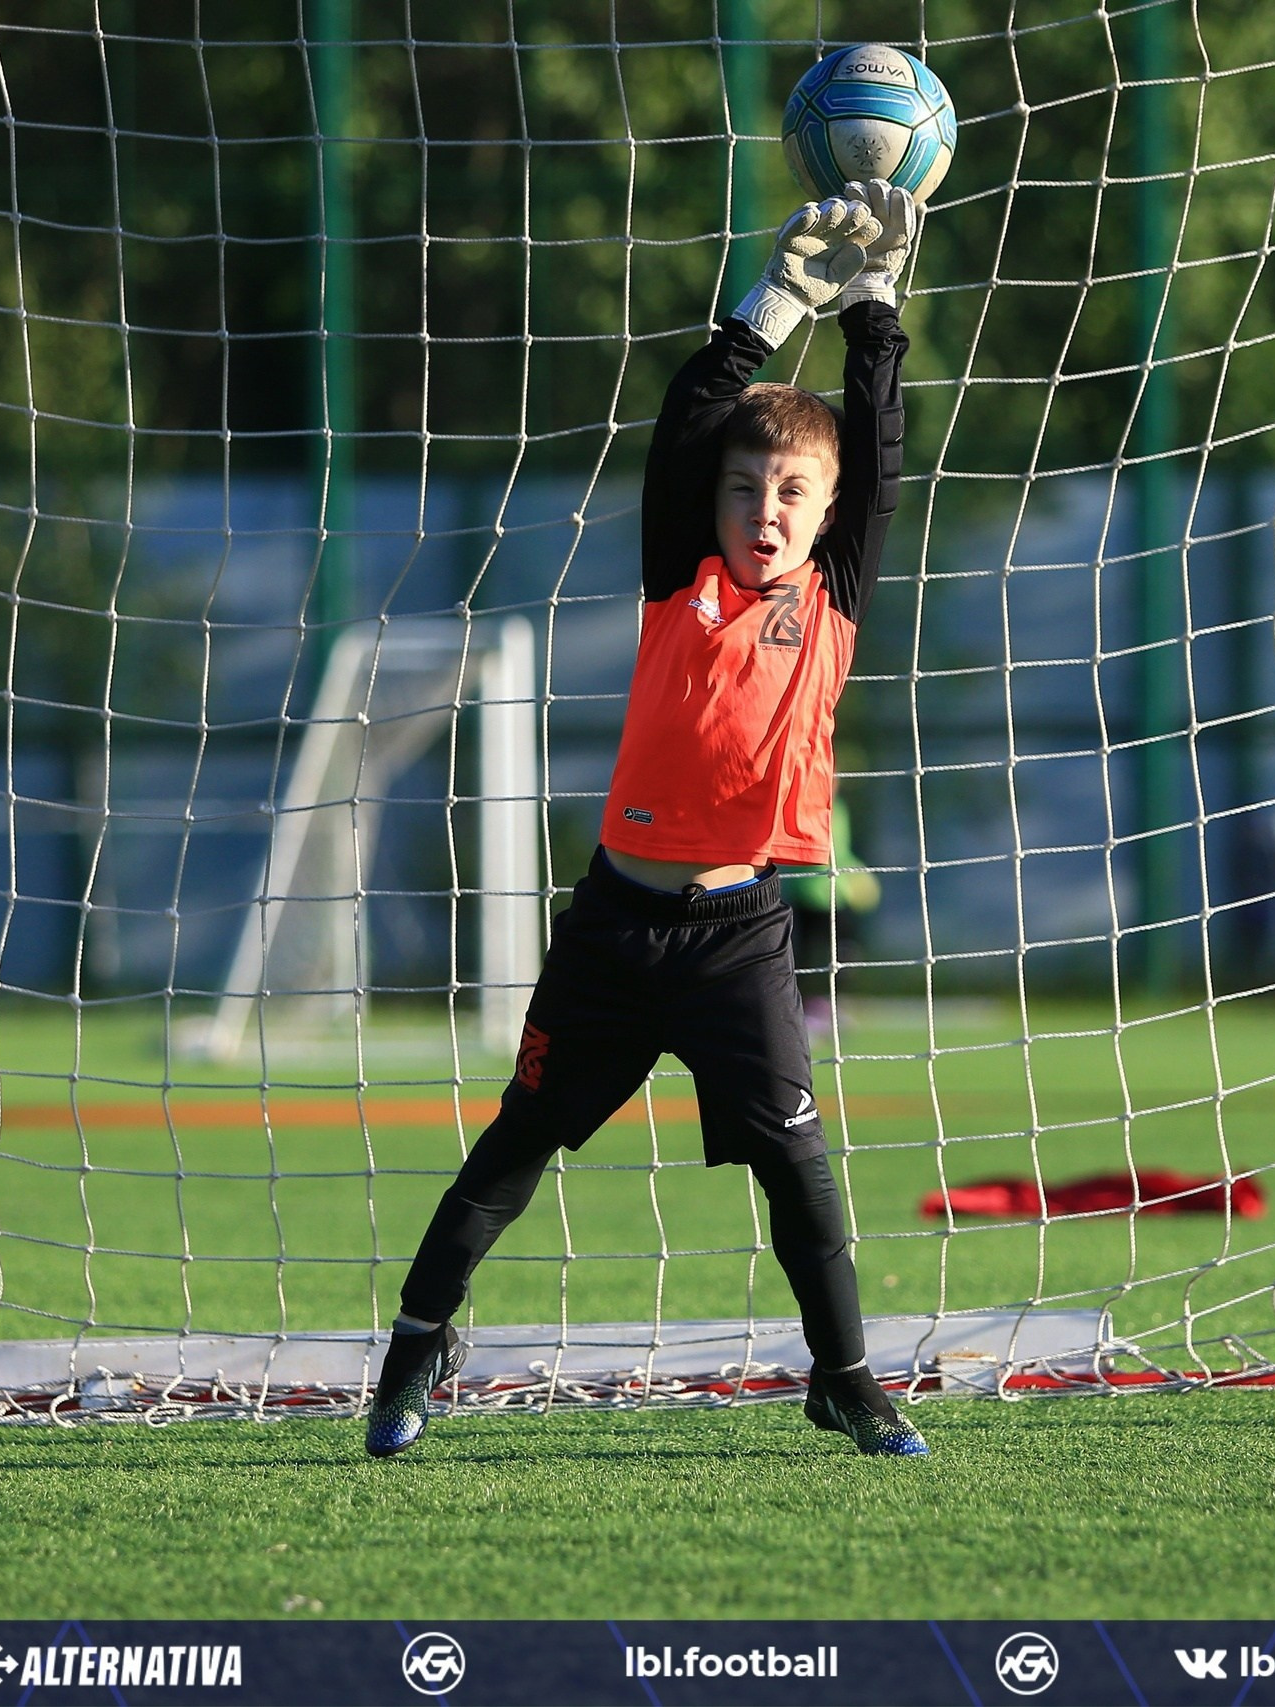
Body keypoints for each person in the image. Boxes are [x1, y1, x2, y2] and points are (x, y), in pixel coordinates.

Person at [366, 181, 922, 1458]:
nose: (766, 512)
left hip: (738, 939)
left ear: (828, 515)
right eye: (746, 490)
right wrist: (776, 304)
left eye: (792, 493)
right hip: (614, 932)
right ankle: (412, 1353)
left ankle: (843, 1378)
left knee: (801, 1171)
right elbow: (686, 422)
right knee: (518, 1144)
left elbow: (878, 441)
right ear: (714, 503)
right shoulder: (682, 581)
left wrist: (875, 311)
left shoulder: (832, 600)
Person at [783, 783, 881, 1032]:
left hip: (838, 894)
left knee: (844, 953)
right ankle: (806, 1010)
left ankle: (832, 1008)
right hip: (810, 894)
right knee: (805, 955)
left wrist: (856, 873)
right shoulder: (804, 806)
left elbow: (841, 851)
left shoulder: (838, 808)